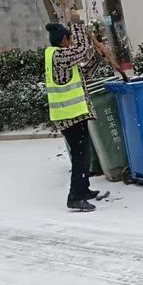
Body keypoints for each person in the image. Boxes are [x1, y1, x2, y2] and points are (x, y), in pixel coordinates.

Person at [45, 11, 107, 212]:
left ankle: (84, 189)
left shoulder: (63, 58)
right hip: (69, 116)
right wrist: (77, 24)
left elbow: (85, 71)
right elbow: (81, 50)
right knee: (81, 155)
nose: (72, 42)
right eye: (70, 38)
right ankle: (75, 196)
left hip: (74, 115)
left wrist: (99, 56)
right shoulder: (58, 57)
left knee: (84, 153)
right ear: (64, 40)